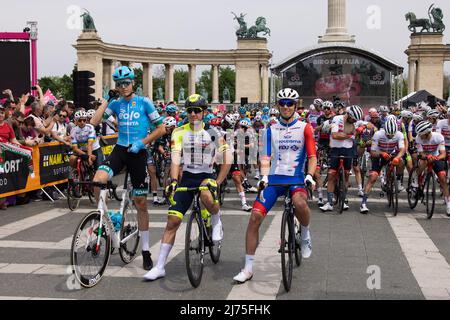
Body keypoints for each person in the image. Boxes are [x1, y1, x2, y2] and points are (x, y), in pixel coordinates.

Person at [143, 94, 232, 281]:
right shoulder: (178, 132)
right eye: (189, 110)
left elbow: (227, 160)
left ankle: (216, 219)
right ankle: (160, 267)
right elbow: (175, 159)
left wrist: (219, 182)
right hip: (188, 178)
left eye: (197, 111)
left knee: (207, 196)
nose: (192, 114)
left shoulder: (214, 133)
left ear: (204, 113)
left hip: (207, 177)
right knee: (172, 221)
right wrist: (173, 181)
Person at [233, 88, 317, 283]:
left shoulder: (305, 127)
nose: (286, 107)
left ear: (296, 106)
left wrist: (310, 176)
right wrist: (263, 176)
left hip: (296, 179)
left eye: (290, 104)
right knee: (254, 217)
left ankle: (305, 233)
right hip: (275, 179)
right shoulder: (270, 129)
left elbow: (312, 157)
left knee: (300, 203)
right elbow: (266, 156)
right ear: (278, 106)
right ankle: (248, 268)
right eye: (282, 103)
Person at [91, 66, 166, 271]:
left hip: (138, 152)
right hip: (120, 149)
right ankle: (107, 220)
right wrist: (107, 98)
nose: (123, 87)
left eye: (126, 83)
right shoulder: (115, 103)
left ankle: (146, 250)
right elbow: (94, 121)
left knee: (140, 202)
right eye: (119, 84)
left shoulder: (144, 102)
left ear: (133, 82)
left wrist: (143, 142)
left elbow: (161, 128)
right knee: (98, 180)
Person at [320, 105, 364, 212]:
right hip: (335, 149)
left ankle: (343, 200)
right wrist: (351, 134)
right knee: (331, 176)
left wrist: (365, 127)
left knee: (346, 176)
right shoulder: (337, 119)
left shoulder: (355, 121)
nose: (354, 121)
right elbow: (335, 135)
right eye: (353, 118)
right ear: (348, 114)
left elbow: (371, 126)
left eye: (355, 120)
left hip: (348, 150)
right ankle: (329, 203)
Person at [359, 118, 406, 213]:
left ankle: (398, 180)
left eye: (392, 135)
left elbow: (402, 150)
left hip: (392, 154)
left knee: (401, 161)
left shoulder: (399, 134)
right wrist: (381, 153)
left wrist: (397, 158)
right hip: (378, 154)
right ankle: (363, 203)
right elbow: (372, 152)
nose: (391, 136)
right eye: (388, 134)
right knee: (373, 177)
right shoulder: (378, 134)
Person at [414, 121, 450, 216]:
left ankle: (448, 203)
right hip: (425, 156)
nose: (419, 136)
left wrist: (436, 158)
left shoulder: (438, 137)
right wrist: (426, 156)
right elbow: (421, 153)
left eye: (421, 134)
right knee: (423, 163)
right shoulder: (418, 138)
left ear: (427, 133)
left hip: (436, 156)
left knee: (442, 177)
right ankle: (416, 181)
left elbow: (443, 153)